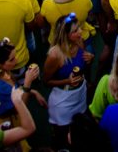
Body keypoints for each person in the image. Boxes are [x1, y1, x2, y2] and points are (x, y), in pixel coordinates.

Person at [43, 14, 92, 145]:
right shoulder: (55, 54)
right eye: (75, 31)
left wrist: (89, 60)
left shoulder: (79, 41)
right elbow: (46, 82)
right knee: (62, 134)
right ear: (65, 35)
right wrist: (67, 81)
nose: (80, 32)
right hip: (63, 101)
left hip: (80, 93)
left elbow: (83, 67)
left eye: (79, 28)